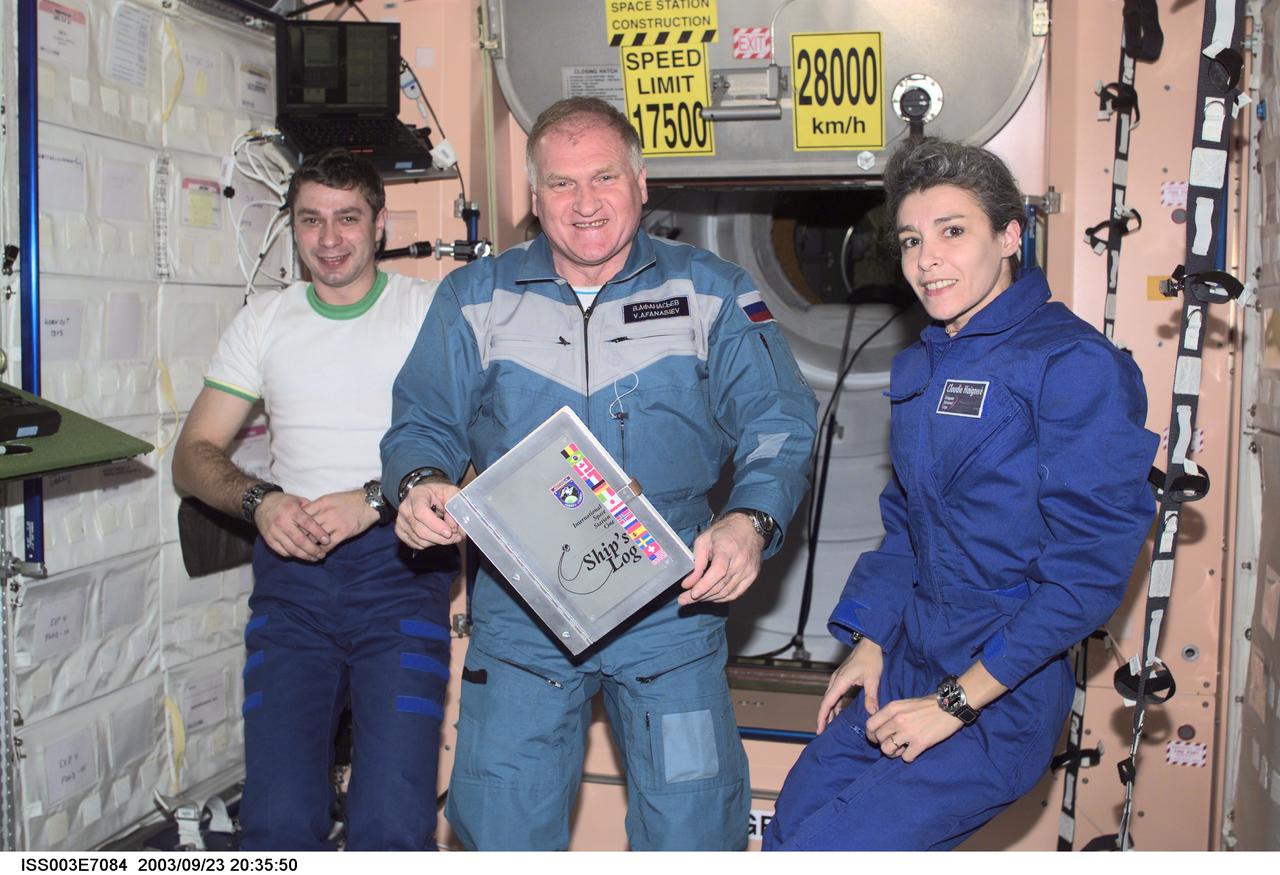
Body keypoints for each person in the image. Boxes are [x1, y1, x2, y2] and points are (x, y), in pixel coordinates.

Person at [381, 96, 818, 850]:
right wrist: (419, 482)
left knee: (693, 830)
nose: (585, 203)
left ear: (641, 183)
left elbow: (778, 422)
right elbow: (422, 421)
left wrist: (751, 522)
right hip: (522, 605)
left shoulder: (710, 291)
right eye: (561, 183)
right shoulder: (475, 297)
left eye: (604, 177)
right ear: (534, 195)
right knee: (503, 831)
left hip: (671, 602)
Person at [763, 138, 1159, 851]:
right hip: (910, 653)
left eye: (952, 231)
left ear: (1010, 236)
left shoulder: (1072, 364)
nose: (926, 260)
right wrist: (872, 640)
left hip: (1000, 689)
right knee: (791, 827)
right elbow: (908, 524)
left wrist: (954, 702)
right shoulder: (925, 361)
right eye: (912, 239)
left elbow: (1087, 574)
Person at [171, 149, 458, 851]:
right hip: (292, 581)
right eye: (311, 220)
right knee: (275, 821)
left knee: (391, 823)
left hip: (401, 574)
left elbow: (477, 458)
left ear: (380, 225)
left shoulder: (430, 312)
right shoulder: (264, 320)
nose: (329, 239)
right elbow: (192, 455)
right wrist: (260, 501)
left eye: (347, 218)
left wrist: (376, 498)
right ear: (292, 228)